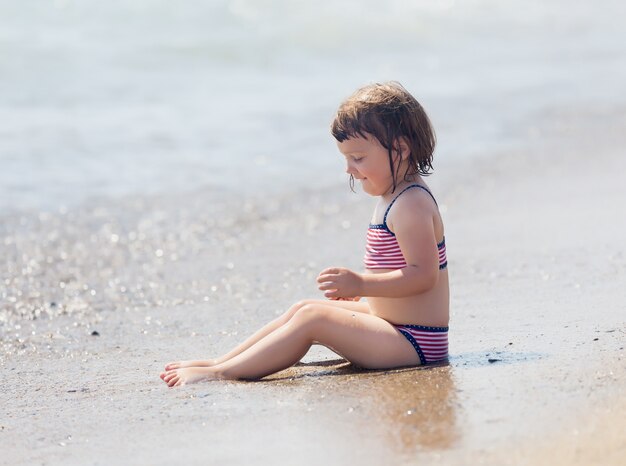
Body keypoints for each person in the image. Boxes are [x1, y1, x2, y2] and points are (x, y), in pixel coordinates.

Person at [160, 81, 449, 387]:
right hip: (395, 327)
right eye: (346, 158)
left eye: (359, 158)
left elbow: (423, 276)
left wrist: (362, 282)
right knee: (303, 308)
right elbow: (397, 267)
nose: (349, 169)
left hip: (415, 343)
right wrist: (368, 289)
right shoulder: (396, 197)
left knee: (314, 320)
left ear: (401, 149)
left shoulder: (412, 204)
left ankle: (222, 374)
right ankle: (222, 361)